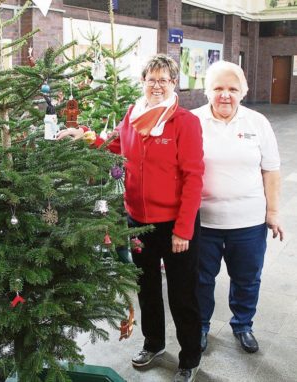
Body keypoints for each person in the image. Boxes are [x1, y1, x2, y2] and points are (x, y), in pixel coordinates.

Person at [58, 54, 204, 382]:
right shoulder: (133, 115)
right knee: (147, 287)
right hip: (137, 220)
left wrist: (183, 229)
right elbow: (116, 147)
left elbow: (194, 177)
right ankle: (153, 344)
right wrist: (83, 135)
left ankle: (190, 356)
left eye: (163, 80)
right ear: (142, 82)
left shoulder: (185, 122)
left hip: (175, 224)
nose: (156, 85)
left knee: (182, 294)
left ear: (173, 83)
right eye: (150, 79)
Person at [191, 60, 284, 354]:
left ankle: (243, 325)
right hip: (203, 221)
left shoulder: (257, 123)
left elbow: (271, 170)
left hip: (249, 222)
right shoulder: (192, 121)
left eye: (232, 88)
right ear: (208, 91)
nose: (225, 95)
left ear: (242, 92)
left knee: (247, 279)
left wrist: (272, 213)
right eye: (218, 88)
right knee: (201, 280)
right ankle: (201, 326)